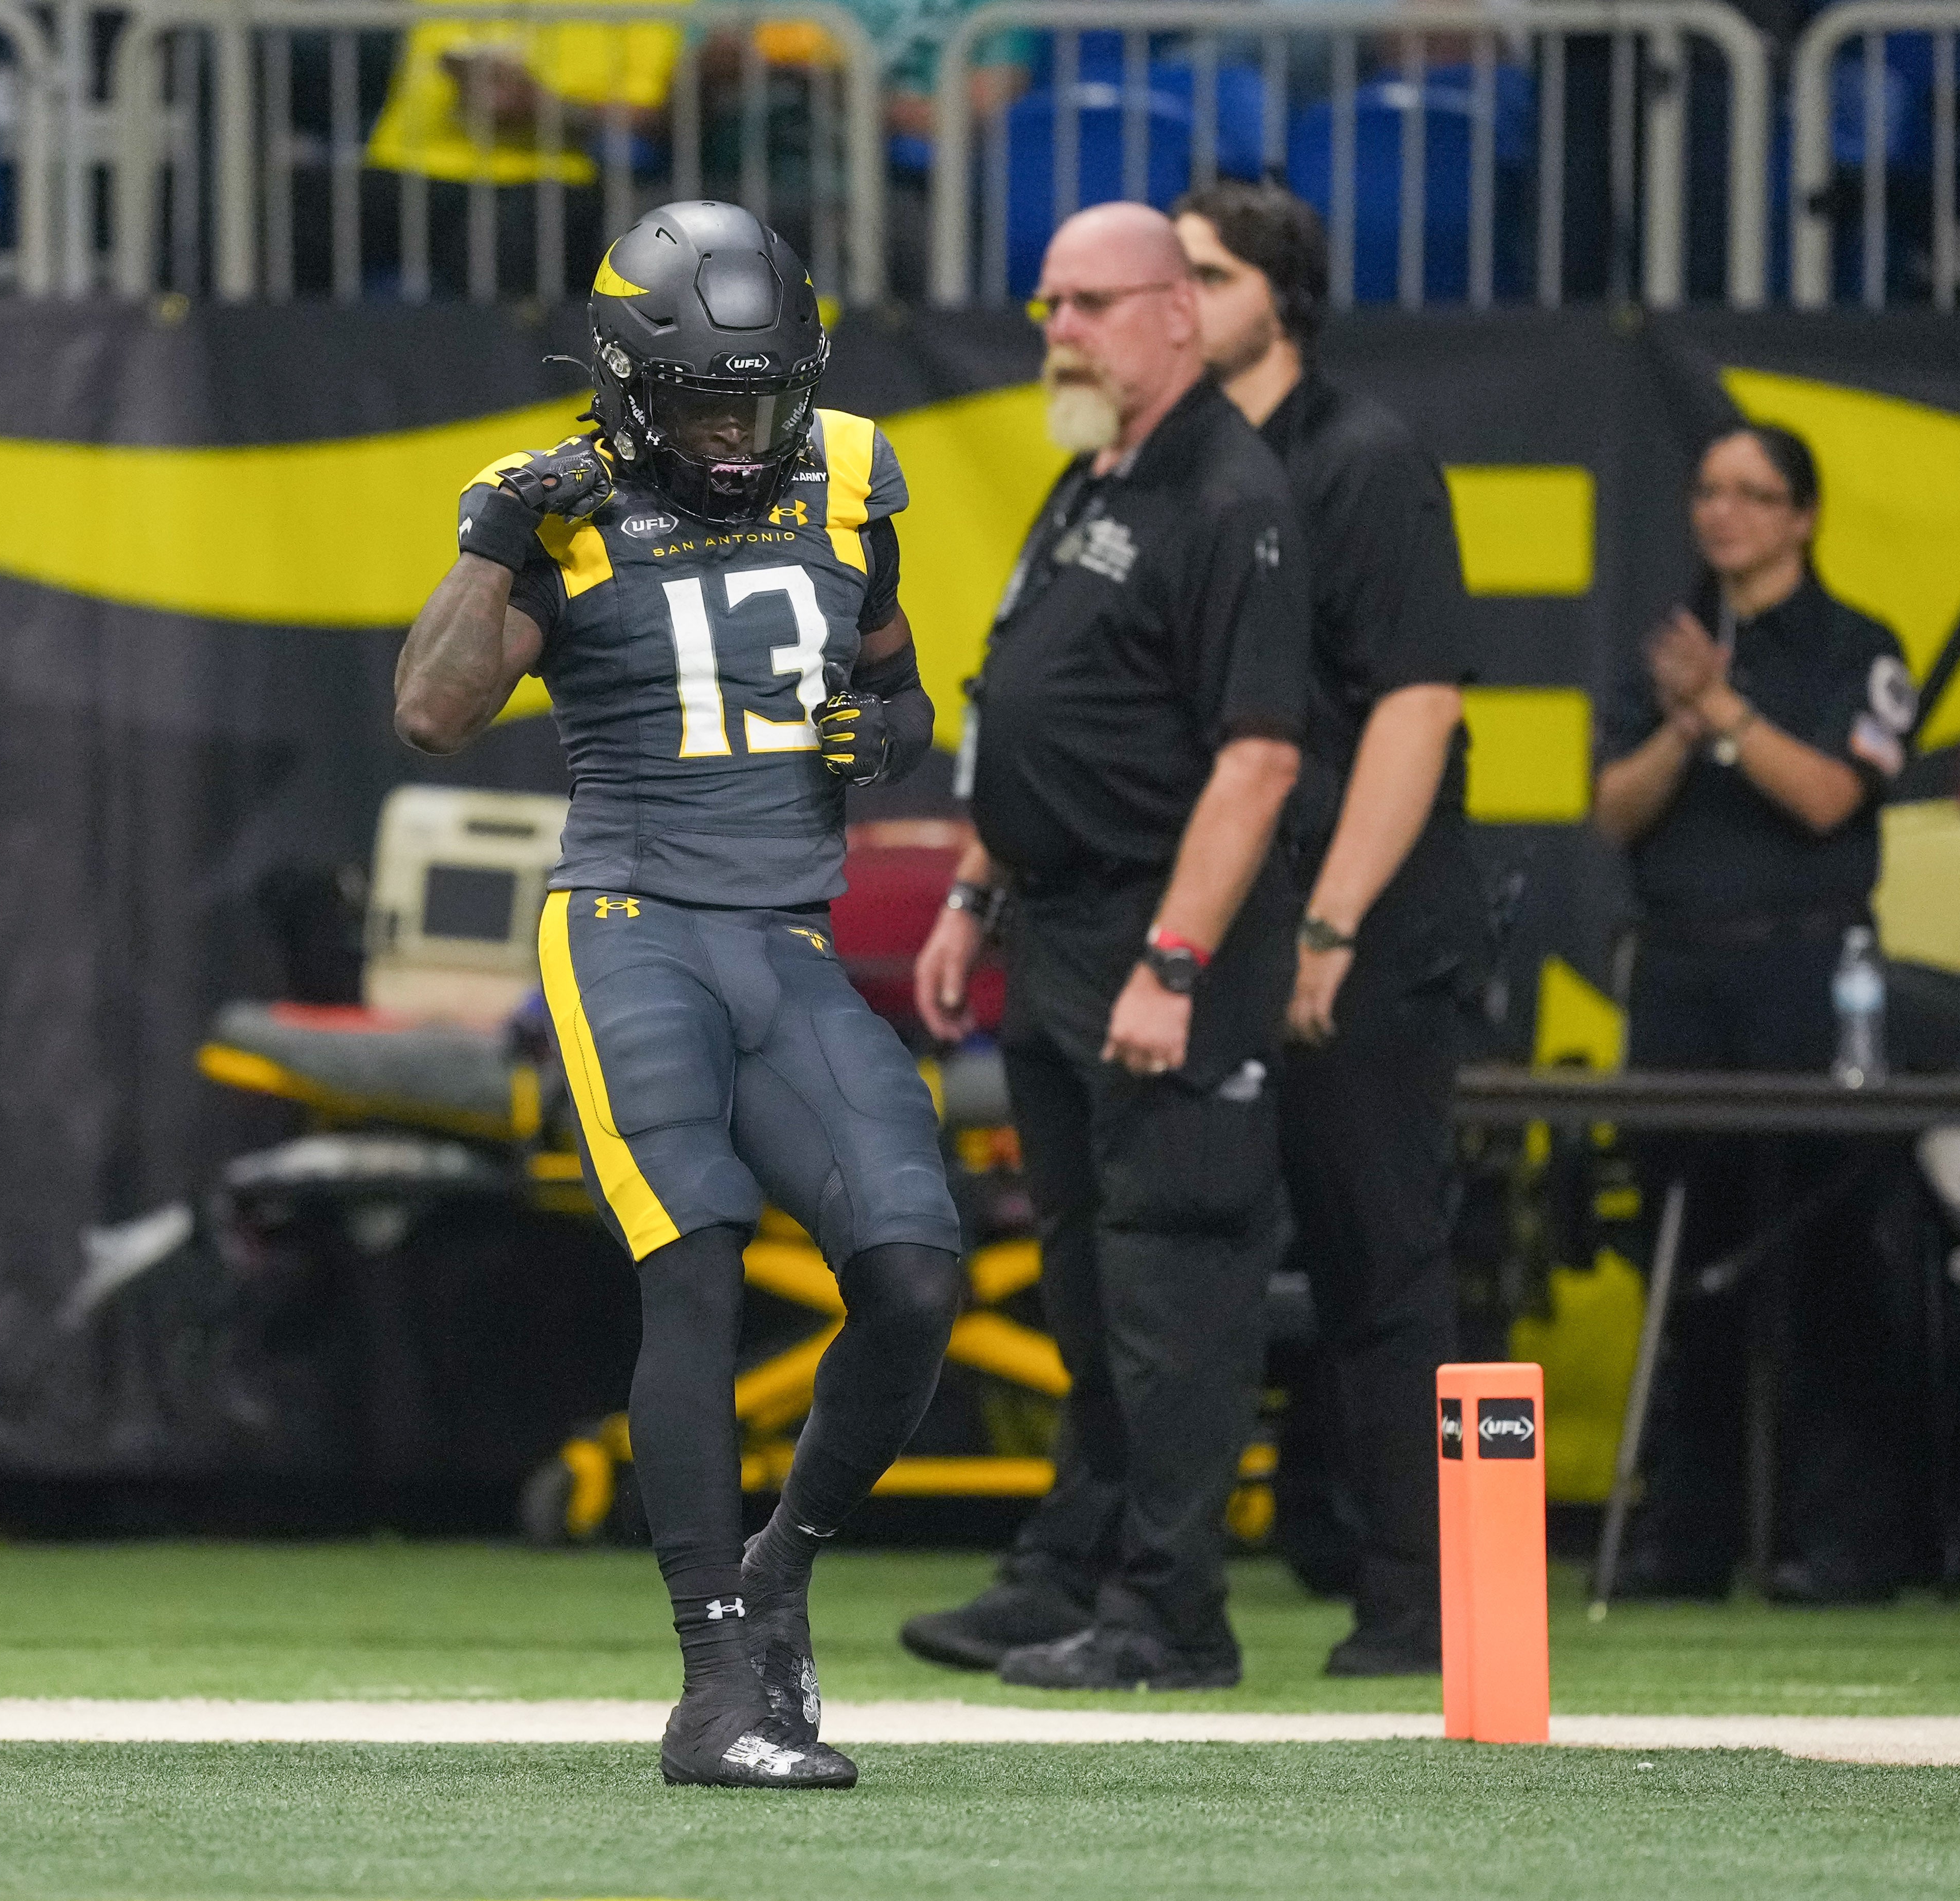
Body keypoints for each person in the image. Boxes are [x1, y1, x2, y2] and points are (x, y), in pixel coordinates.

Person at [396, 200, 964, 1786]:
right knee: (695, 1260)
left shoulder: (846, 473)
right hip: (630, 923)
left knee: (915, 1273)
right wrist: (494, 538)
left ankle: (780, 1572)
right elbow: (436, 712)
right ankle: (716, 1684)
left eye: (760, 393)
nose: (738, 429)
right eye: (707, 398)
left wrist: (887, 734)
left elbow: (900, 685)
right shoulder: (557, 506)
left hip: (787, 937)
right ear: (632, 386)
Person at [898, 202, 1312, 1691]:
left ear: (1176, 318)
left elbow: (1257, 761)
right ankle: (1068, 1569)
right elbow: (1031, 711)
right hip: (1057, 934)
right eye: (1047, 303)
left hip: (1160, 945)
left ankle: (1171, 1617)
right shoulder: (1092, 480)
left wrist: (1180, 961)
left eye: (1088, 303)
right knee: (1086, 1282)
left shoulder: (1231, 496)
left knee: (1173, 1296)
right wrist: (968, 896)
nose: (1059, 330)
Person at [1172, 180, 1487, 1676]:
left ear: (1281, 298)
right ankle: (1174, 1582)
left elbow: (1417, 709)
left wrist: (1336, 924)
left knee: (1379, 1261)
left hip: (1358, 913)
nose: (1178, 302)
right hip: (1246, 913)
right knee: (1206, 1248)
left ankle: (1420, 1604)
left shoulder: (1362, 461)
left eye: (1206, 276)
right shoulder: (1196, 467)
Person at [1590, 422, 1921, 1605]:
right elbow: (1614, 812)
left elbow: (1832, 795)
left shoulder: (1854, 647)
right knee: (1688, 1260)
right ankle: (1687, 1540)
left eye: (1752, 493)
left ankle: (1849, 1542)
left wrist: (1724, 712)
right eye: (1707, 488)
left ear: (1802, 517)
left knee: (1827, 1255)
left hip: (1809, 977)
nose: (1722, 514)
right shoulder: (1670, 650)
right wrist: (1685, 719)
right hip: (1680, 978)